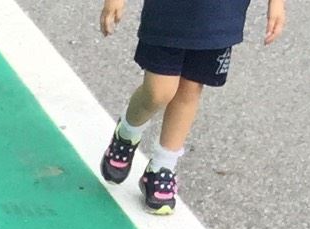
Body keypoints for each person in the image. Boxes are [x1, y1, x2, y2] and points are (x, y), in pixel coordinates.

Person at [96, 0, 285, 214]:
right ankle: (127, 133)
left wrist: (276, 4)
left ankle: (162, 166)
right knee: (158, 92)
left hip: (220, 13)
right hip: (169, 11)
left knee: (190, 88)